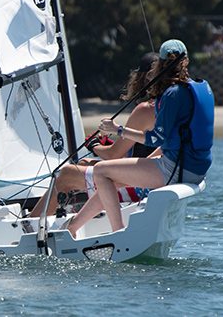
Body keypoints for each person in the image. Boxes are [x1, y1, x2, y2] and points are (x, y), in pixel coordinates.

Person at [66, 39, 214, 238]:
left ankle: (117, 234)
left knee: (101, 171)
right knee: (115, 179)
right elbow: (176, 139)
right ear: (185, 61)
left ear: (160, 64)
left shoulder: (172, 95)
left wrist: (118, 130)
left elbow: (155, 138)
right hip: (197, 168)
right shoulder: (199, 88)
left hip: (178, 170)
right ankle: (73, 227)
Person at [29, 52, 159, 218]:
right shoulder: (167, 105)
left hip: (142, 188)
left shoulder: (146, 109)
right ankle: (84, 214)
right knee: (83, 163)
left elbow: (113, 155)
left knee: (66, 175)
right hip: (153, 177)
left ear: (141, 78)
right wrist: (104, 147)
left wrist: (94, 146)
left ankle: (30, 225)